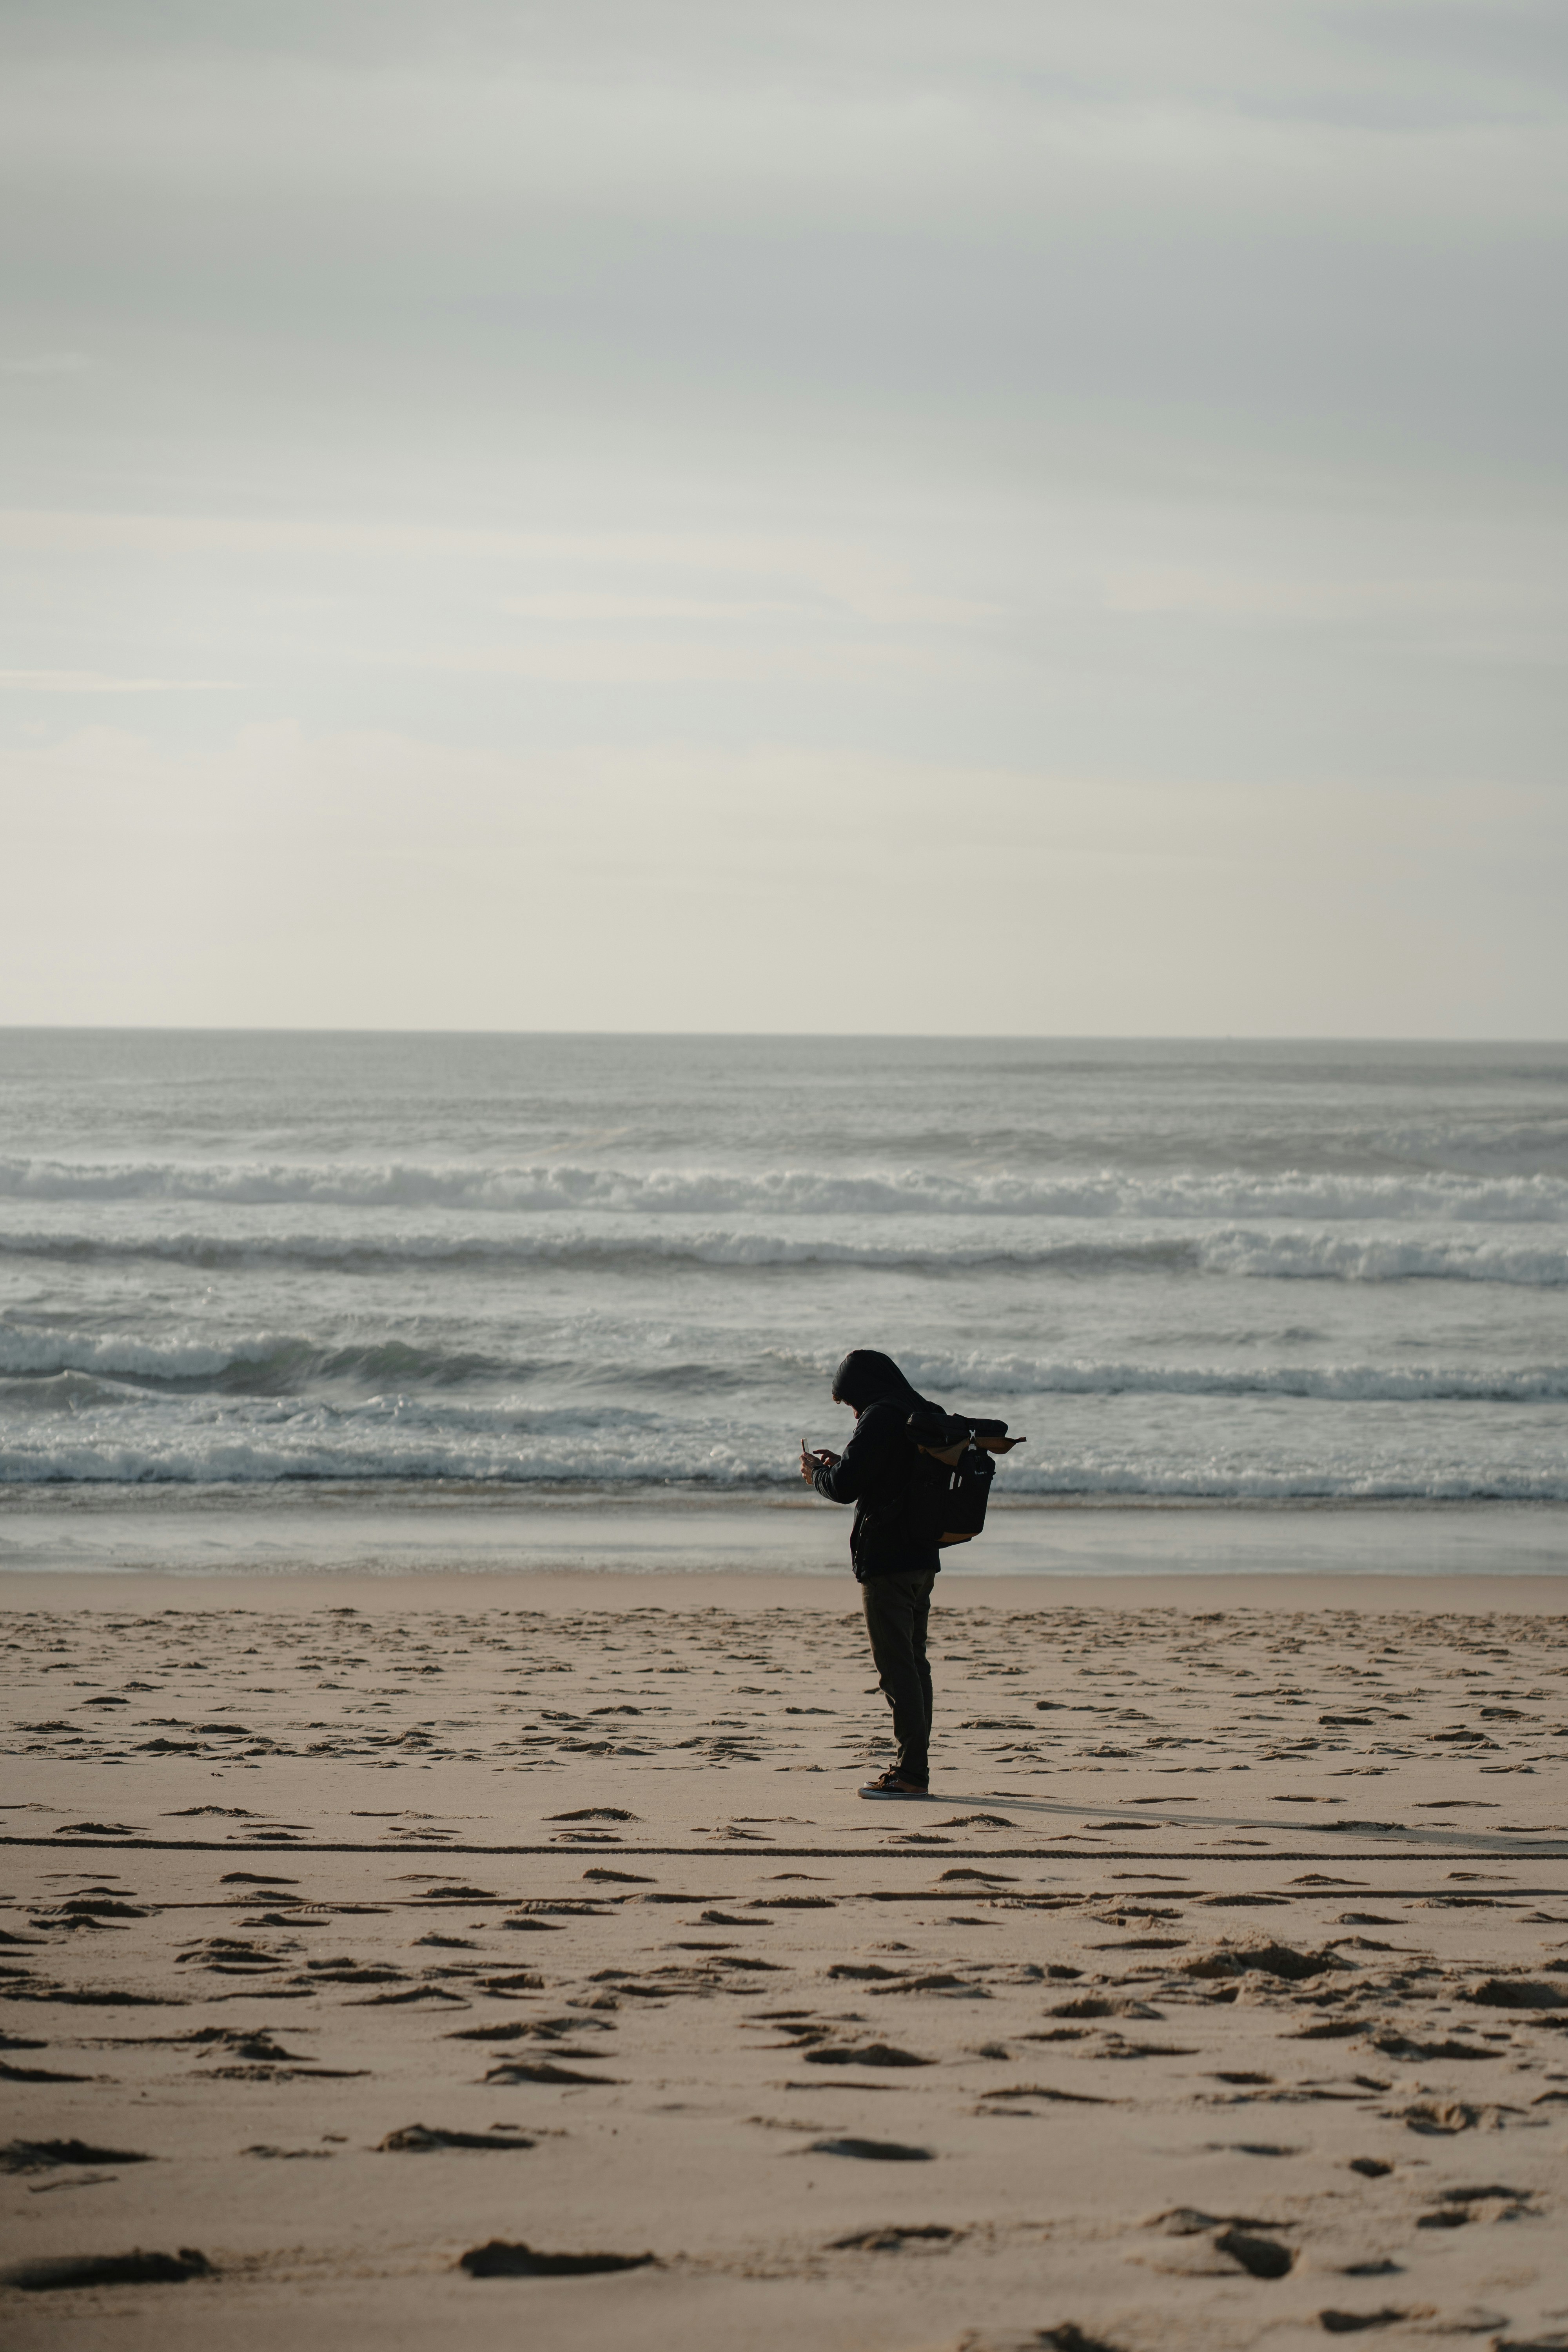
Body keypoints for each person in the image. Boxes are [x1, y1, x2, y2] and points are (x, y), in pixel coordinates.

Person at [800, 1347, 945, 1800]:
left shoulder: (879, 1416)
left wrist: (817, 1476)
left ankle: (910, 1773)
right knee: (914, 1664)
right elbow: (887, 1474)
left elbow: (846, 1486)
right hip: (923, 1556)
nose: (853, 1412)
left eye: (849, 1403)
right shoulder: (920, 1410)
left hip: (887, 1560)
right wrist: (838, 1464)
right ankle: (913, 1768)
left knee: (896, 1668)